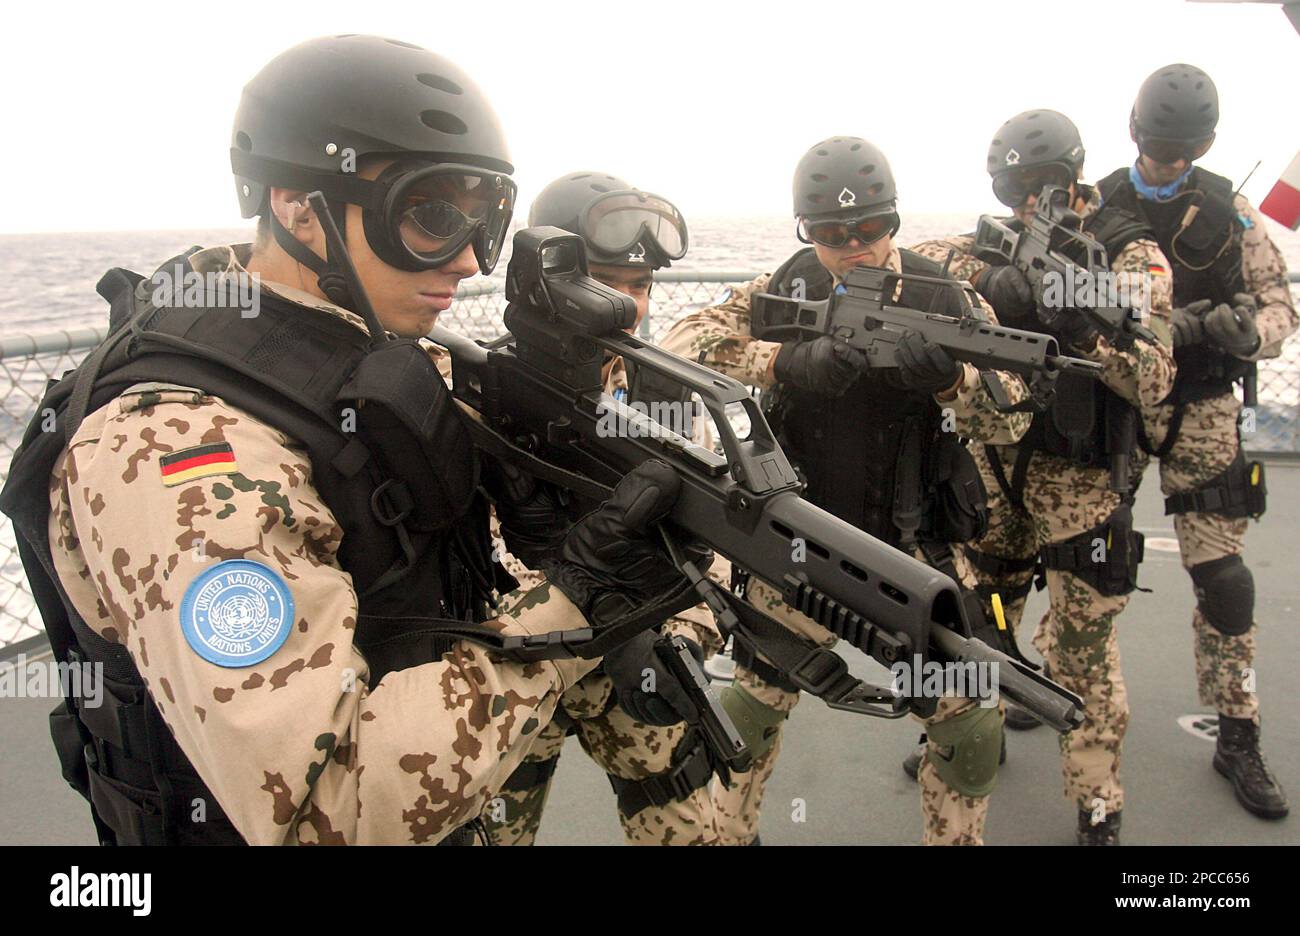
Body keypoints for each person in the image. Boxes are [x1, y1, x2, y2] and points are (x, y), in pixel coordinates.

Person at [0, 35, 703, 845]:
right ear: (300, 204)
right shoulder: (179, 451)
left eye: (486, 220)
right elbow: (326, 808)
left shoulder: (345, 348)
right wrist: (574, 602)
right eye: (431, 214)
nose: (471, 259)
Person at [662, 137, 1034, 845]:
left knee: (974, 725)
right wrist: (785, 361)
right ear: (806, 231)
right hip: (796, 542)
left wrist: (950, 380)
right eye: (831, 234)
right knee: (746, 718)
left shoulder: (943, 296)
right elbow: (682, 344)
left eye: (870, 229)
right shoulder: (786, 288)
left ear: (894, 220)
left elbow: (1011, 405)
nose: (853, 246)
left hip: (912, 543)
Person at [909, 109, 1177, 844]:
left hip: (1082, 485)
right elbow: (926, 265)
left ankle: (1097, 799)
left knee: (1082, 649)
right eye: (1015, 185)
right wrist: (994, 279)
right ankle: (976, 731)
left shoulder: (1131, 253)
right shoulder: (988, 240)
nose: (1030, 198)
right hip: (995, 474)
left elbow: (1154, 375)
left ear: (1073, 177)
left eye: (1044, 183)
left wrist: (1087, 319)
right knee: (987, 615)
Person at [478, 172, 727, 846]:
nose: (630, 308)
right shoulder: (481, 388)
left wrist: (685, 638)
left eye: (641, 287)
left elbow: (715, 540)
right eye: (608, 283)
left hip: (636, 661)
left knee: (684, 818)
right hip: (513, 672)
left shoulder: (666, 395)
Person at [1093, 64, 1295, 819]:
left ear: (1203, 146)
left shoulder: (1230, 210)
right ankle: (1044, 686)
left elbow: (1279, 303)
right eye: (1159, 149)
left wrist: (1253, 331)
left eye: (1183, 152)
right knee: (1086, 558)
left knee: (1226, 580)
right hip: (1117, 402)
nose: (1169, 164)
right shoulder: (1100, 203)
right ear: (1136, 134)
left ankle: (1237, 731)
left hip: (1204, 404)